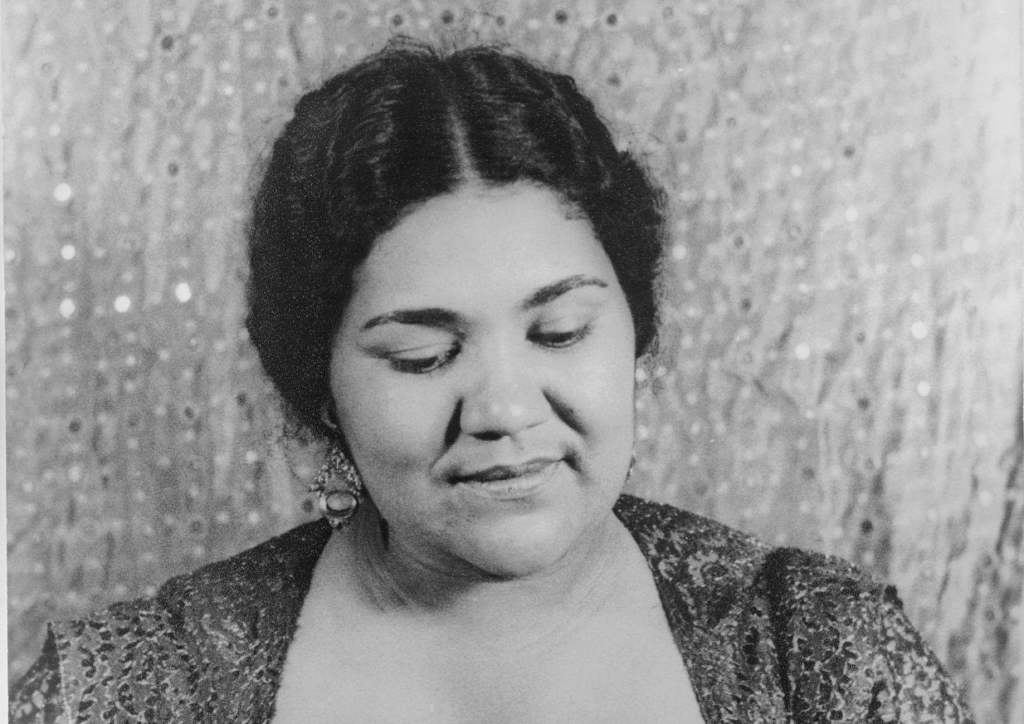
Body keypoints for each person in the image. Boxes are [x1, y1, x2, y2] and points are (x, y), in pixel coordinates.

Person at [10, 38, 974, 724]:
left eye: (559, 333)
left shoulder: (821, 662)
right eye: (423, 356)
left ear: (633, 333)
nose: (506, 409)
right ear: (321, 389)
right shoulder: (133, 692)